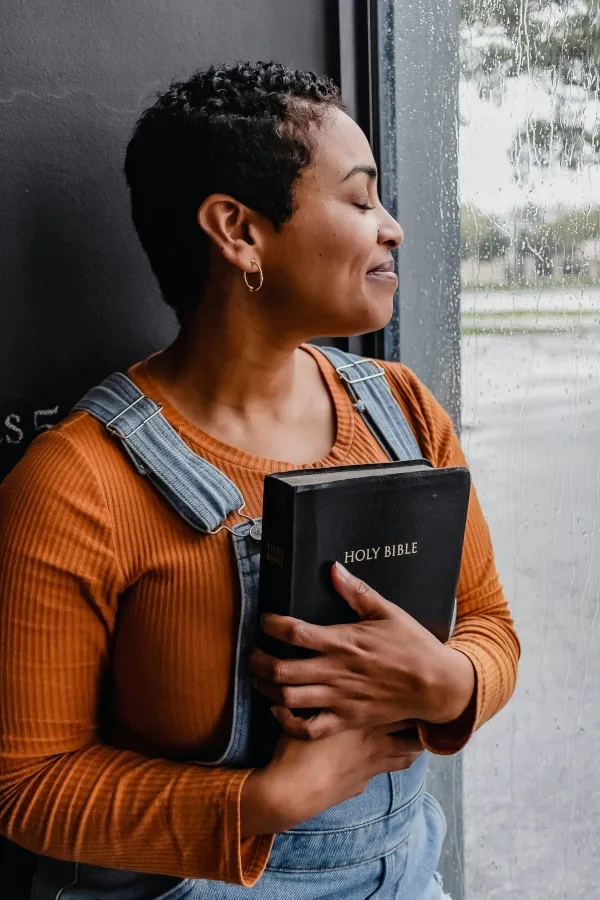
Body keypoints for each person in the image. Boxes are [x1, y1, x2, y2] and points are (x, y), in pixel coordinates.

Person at [0, 62, 519, 900]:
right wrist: (268, 799)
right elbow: (26, 788)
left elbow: (489, 622)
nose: (392, 229)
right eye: (359, 199)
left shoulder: (404, 411)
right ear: (237, 231)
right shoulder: (75, 484)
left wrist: (450, 682)